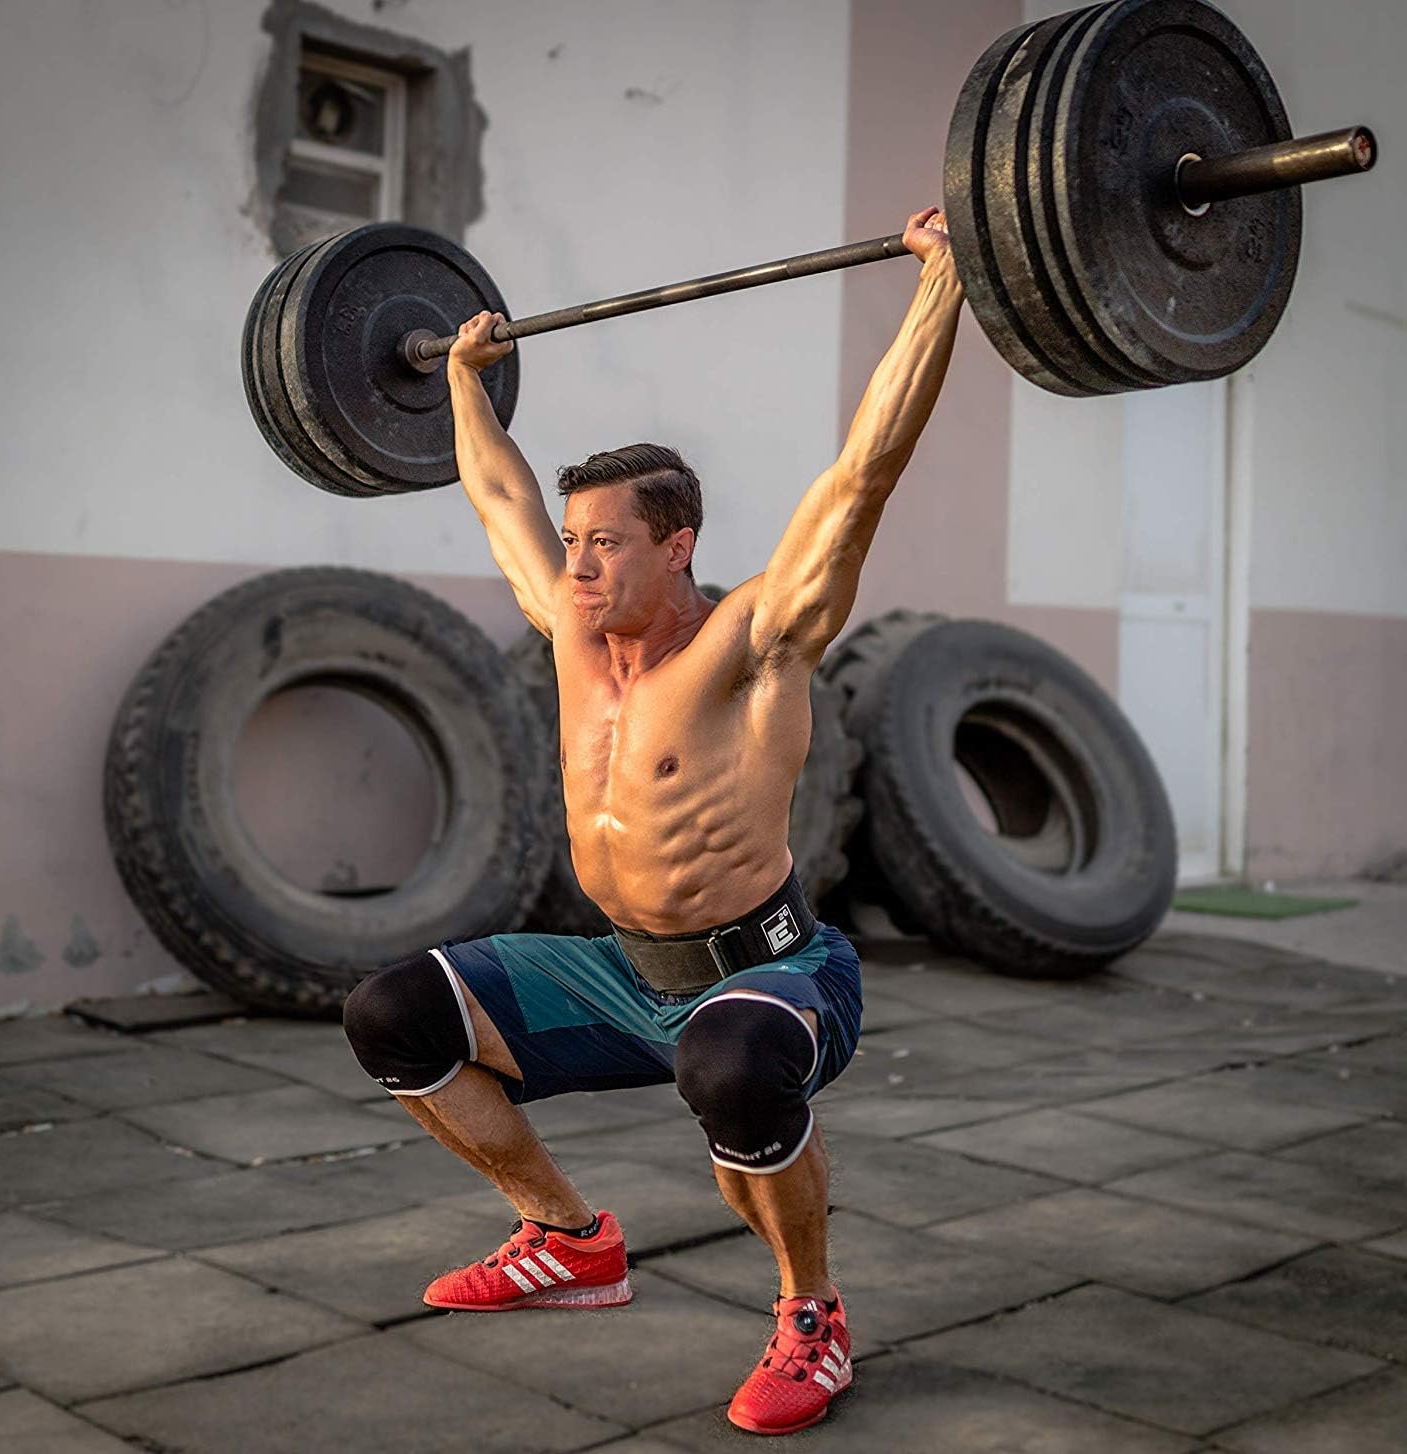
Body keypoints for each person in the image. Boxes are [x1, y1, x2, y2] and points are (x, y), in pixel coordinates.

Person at [344, 206, 962, 1436]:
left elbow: (862, 474)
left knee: (727, 1067)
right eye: (572, 542)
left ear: (676, 546)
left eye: (604, 543)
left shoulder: (755, 643)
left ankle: (812, 1311)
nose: (575, 566)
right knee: (392, 1014)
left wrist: (944, 285)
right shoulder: (575, 629)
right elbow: (494, 491)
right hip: (626, 968)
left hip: (772, 971)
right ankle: (570, 1238)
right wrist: (463, 380)